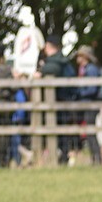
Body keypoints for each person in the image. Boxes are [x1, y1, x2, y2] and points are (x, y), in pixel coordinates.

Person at [37, 35, 77, 165]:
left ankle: (63, 157)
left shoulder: (55, 61)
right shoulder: (62, 60)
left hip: (61, 100)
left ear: (48, 46)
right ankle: (62, 156)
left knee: (60, 130)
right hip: (65, 99)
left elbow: (52, 69)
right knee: (61, 130)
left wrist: (41, 70)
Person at [75, 45, 102, 165]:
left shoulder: (90, 69)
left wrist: (79, 92)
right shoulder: (86, 69)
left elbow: (92, 89)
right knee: (90, 131)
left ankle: (97, 158)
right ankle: (95, 158)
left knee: (91, 131)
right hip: (88, 103)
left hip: (90, 103)